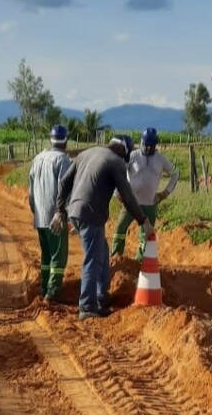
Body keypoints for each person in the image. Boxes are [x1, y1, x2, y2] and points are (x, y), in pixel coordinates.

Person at [53, 135, 153, 320]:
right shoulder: (116, 162)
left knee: (102, 251)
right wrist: (142, 219)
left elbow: (64, 182)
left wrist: (60, 210)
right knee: (92, 258)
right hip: (90, 214)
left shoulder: (86, 153)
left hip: (74, 210)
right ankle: (87, 306)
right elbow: (128, 196)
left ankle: (101, 296)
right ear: (123, 150)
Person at [111, 127, 179, 261]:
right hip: (130, 203)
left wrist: (165, 193)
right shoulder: (132, 156)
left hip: (149, 205)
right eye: (145, 145)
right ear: (140, 142)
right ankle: (115, 258)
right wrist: (117, 193)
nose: (147, 148)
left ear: (156, 145)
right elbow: (116, 173)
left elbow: (175, 173)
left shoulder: (160, 159)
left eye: (151, 146)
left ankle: (140, 262)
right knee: (120, 230)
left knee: (146, 235)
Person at [29, 124, 72, 304]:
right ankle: (52, 292)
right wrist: (61, 213)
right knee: (58, 255)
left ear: (51, 139)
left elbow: (30, 191)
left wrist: (35, 211)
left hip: (40, 216)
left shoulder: (38, 159)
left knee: (46, 254)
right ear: (66, 141)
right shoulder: (63, 160)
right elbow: (65, 189)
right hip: (55, 217)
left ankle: (45, 287)